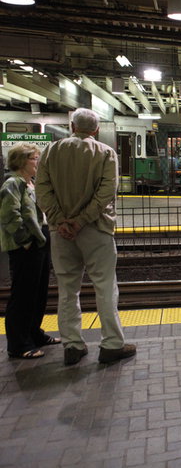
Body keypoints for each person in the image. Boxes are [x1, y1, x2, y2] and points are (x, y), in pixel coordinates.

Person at [35, 108, 136, 366]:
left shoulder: (51, 151)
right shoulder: (105, 153)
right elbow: (105, 194)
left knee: (67, 290)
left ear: (71, 126)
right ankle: (112, 344)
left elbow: (42, 191)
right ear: (96, 129)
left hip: (61, 232)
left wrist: (60, 220)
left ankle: (72, 345)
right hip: (96, 230)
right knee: (104, 287)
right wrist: (80, 221)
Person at [0, 143, 60, 359]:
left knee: (38, 292)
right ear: (22, 160)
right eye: (34, 158)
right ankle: (18, 344)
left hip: (40, 242)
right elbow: (9, 216)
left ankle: (34, 333)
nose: (38, 162)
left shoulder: (30, 183)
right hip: (26, 246)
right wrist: (25, 241)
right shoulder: (12, 184)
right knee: (23, 294)